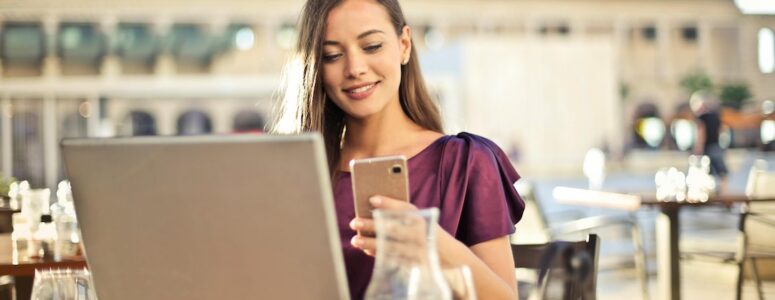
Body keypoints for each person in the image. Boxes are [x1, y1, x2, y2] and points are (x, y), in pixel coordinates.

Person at [270, 0, 525, 298]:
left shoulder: (465, 162)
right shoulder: (298, 177)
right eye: (333, 55)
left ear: (404, 45)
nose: (355, 69)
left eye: (372, 46)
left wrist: (432, 245)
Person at [690, 90, 728, 184]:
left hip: (707, 147)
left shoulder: (702, 118)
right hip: (716, 146)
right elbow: (722, 130)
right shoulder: (715, 116)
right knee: (721, 172)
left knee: (706, 170)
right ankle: (724, 192)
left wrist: (698, 148)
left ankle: (711, 193)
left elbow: (701, 133)